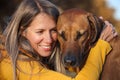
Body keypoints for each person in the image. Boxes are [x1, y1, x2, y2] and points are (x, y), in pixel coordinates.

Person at [0, 0, 117, 80]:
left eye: (53, 31)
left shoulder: (32, 53)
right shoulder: (14, 64)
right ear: (22, 31)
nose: (49, 39)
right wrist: (101, 44)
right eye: (40, 32)